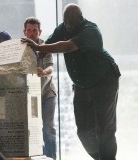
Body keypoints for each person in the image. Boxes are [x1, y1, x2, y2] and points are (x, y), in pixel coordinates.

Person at [22, 3, 120, 160]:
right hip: (82, 85)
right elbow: (47, 44)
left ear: (80, 19)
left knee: (104, 128)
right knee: (83, 130)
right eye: (65, 22)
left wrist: (40, 48)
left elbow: (66, 46)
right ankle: (100, 157)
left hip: (104, 81)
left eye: (71, 23)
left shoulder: (91, 31)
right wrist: (32, 55)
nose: (67, 26)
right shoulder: (63, 28)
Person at [23, 17, 57, 160]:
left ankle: (52, 157)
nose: (31, 34)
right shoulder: (20, 47)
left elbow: (50, 67)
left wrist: (43, 72)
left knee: (48, 128)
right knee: (32, 129)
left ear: (40, 31)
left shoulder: (45, 46)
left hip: (47, 92)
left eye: (34, 30)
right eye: (29, 30)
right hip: (29, 96)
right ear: (24, 32)